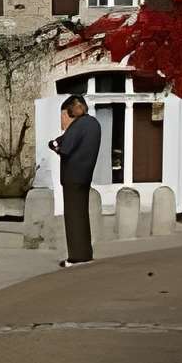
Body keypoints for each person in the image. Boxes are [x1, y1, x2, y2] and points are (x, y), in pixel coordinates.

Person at [51, 93, 103, 265]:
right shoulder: (93, 124)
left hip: (72, 177)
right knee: (82, 216)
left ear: (69, 112)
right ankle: (85, 253)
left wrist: (55, 146)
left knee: (73, 218)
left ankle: (76, 257)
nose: (62, 121)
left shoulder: (77, 126)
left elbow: (65, 148)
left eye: (62, 116)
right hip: (85, 175)